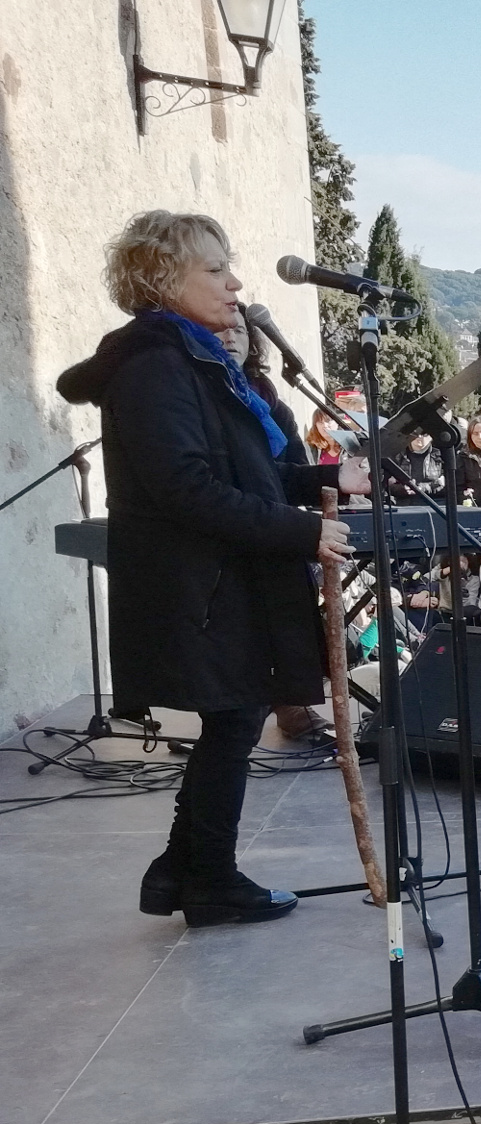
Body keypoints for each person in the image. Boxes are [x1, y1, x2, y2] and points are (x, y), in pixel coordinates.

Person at [58, 209, 368, 925]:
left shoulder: (195, 358)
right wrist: (301, 533)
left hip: (221, 578)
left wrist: (327, 477)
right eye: (215, 269)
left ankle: (184, 869)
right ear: (164, 278)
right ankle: (208, 877)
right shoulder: (155, 365)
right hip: (199, 584)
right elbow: (186, 488)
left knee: (233, 720)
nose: (235, 284)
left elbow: (250, 470)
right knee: (233, 720)